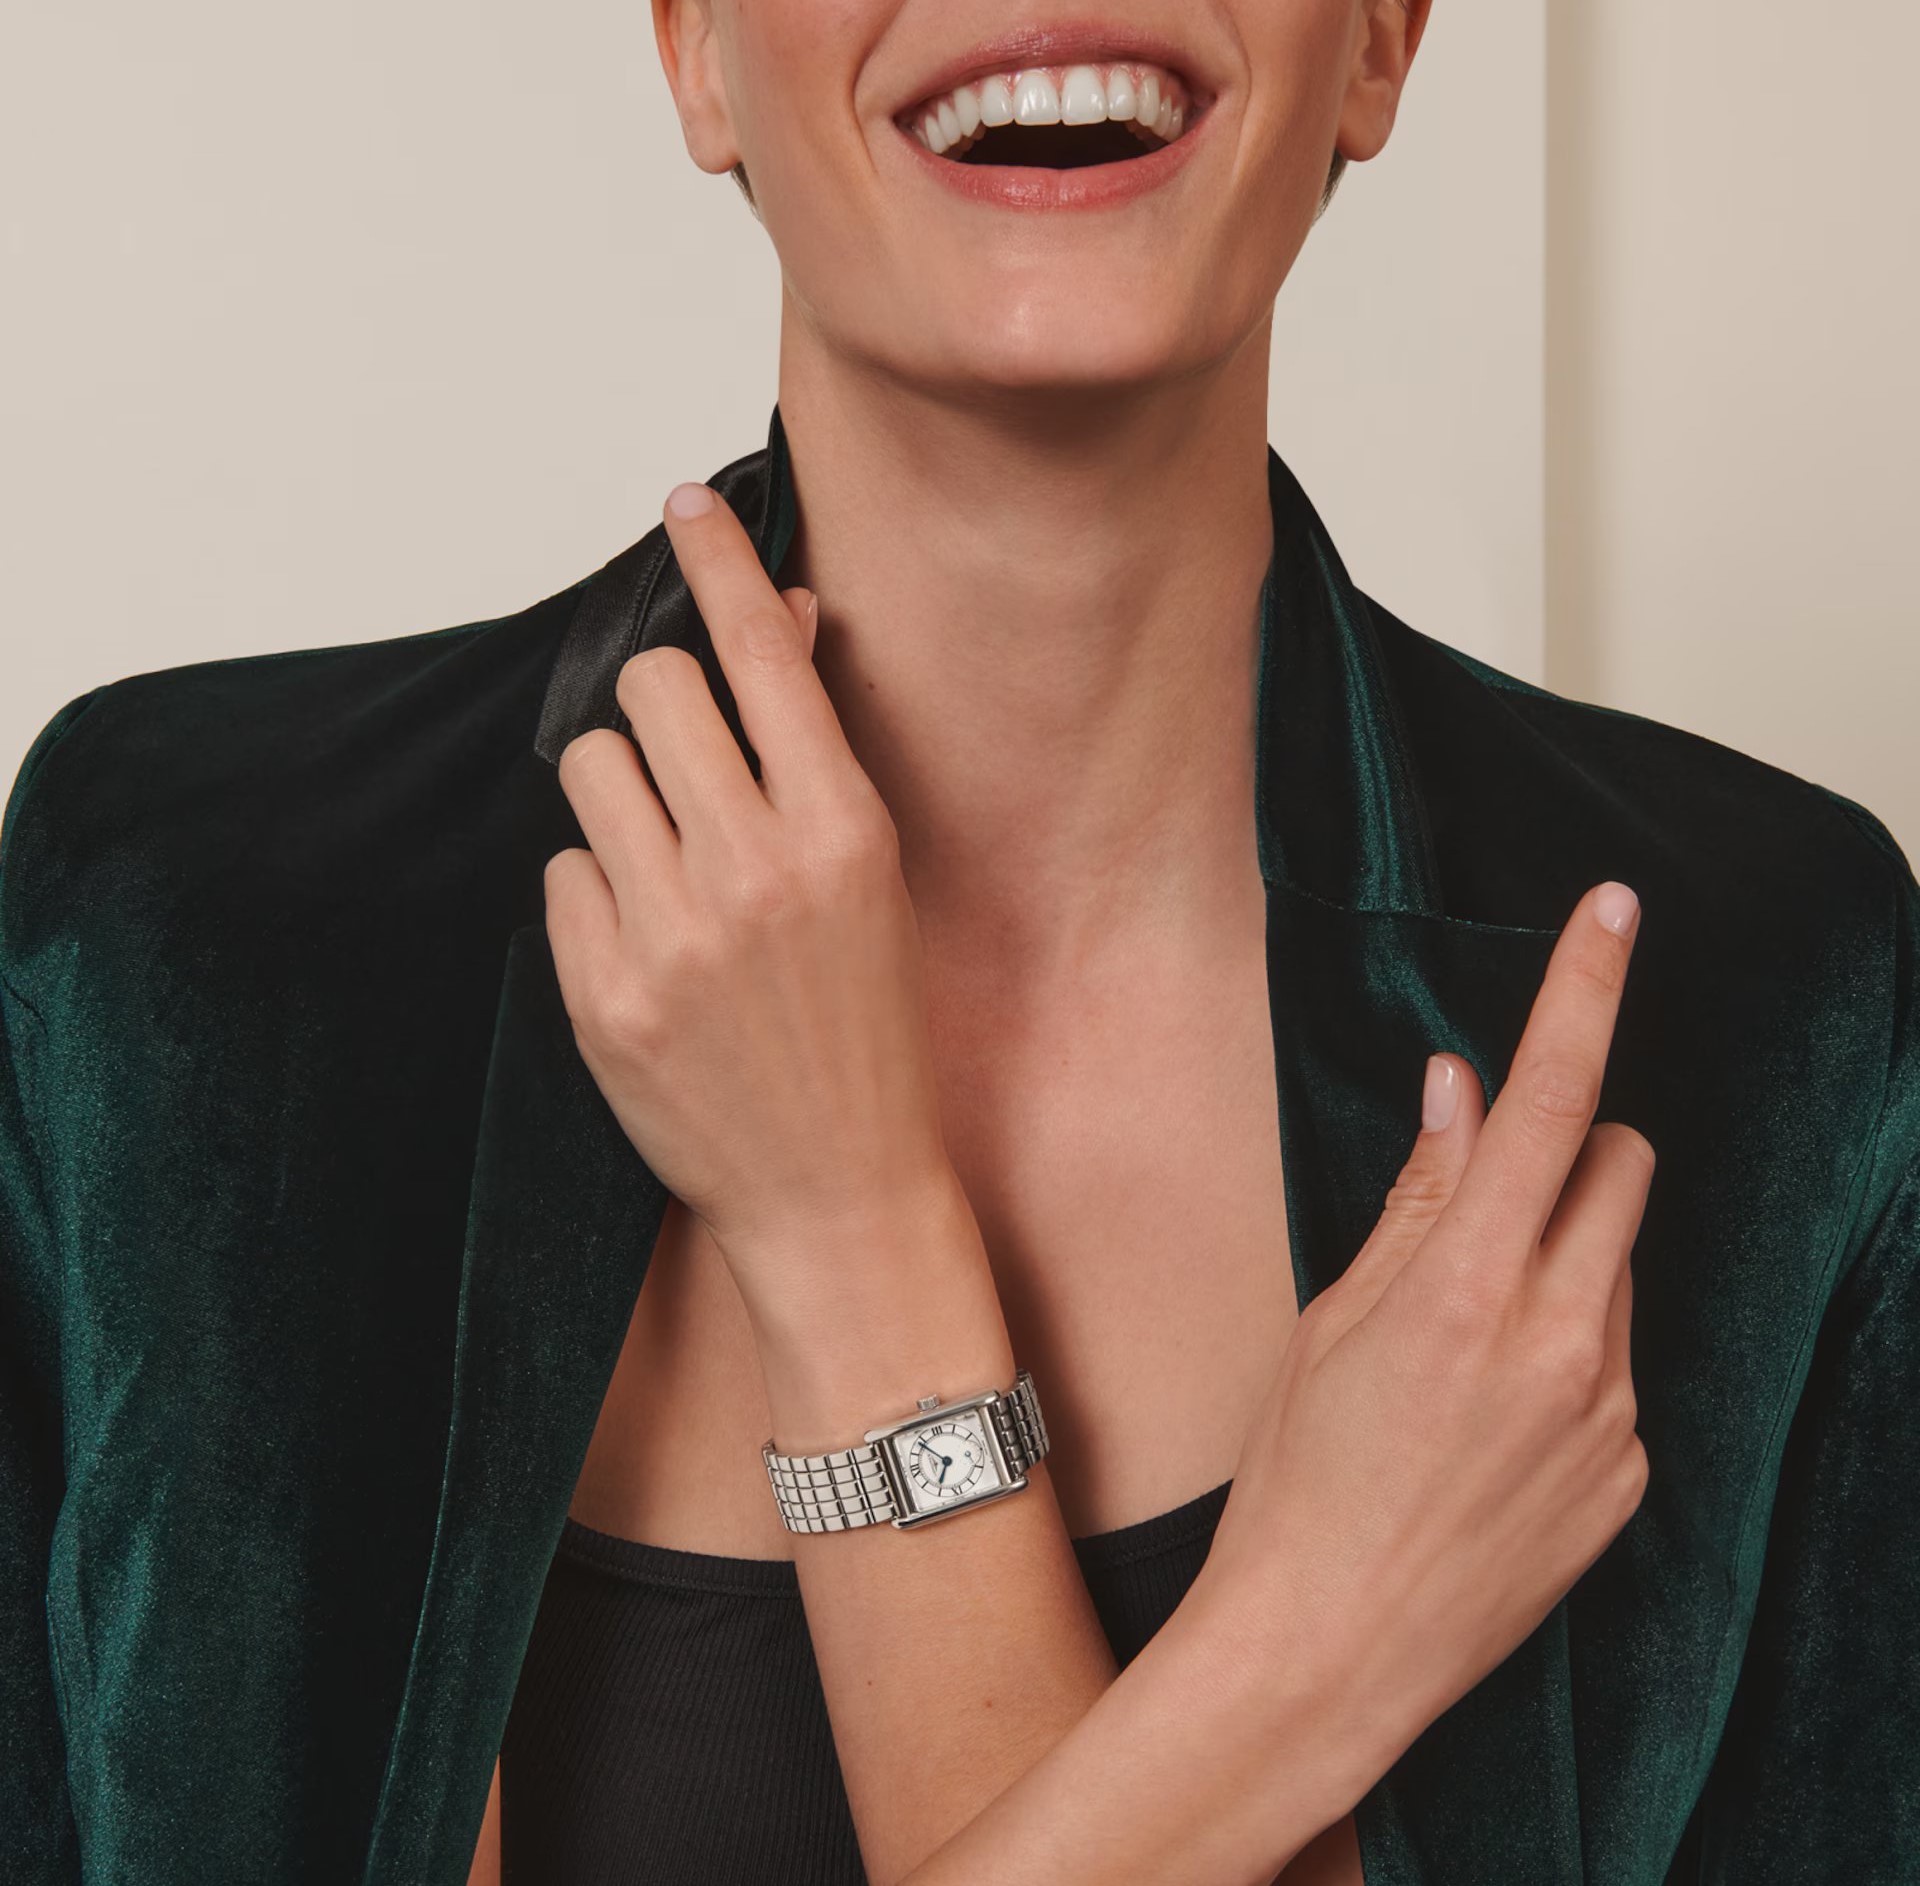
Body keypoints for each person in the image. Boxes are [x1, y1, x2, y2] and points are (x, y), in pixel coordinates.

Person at [2, 2, 1915, 1883]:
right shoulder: (182, 931)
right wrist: (1295, 1662)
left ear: (1380, 41)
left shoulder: (1778, 1011)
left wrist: (847, 1236)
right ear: (695, 48)